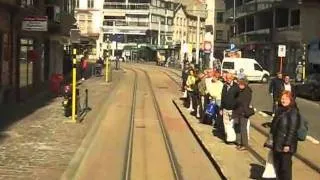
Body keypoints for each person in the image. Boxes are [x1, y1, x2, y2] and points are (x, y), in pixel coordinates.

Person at [270, 91, 300, 180]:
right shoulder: (279, 110)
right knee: (278, 166)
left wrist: (287, 144)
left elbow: (292, 130)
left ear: (290, 100)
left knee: (285, 169)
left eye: (286, 99)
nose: (283, 101)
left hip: (286, 146)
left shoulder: (293, 112)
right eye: (282, 99)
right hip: (277, 143)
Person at [233, 79, 252, 151]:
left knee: (243, 128)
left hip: (244, 113)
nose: (239, 85)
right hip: (239, 111)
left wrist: (236, 101)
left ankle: (245, 144)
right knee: (239, 127)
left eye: (240, 84)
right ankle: (240, 142)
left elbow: (243, 102)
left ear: (244, 84)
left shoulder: (247, 92)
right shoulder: (241, 91)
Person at [220, 73, 240, 142]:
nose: (228, 80)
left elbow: (238, 98)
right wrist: (221, 108)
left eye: (229, 78)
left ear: (232, 78)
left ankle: (232, 139)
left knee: (231, 124)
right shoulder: (225, 86)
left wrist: (236, 108)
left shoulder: (236, 87)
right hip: (225, 108)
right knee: (226, 123)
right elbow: (222, 97)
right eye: (227, 78)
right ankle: (228, 138)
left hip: (232, 109)